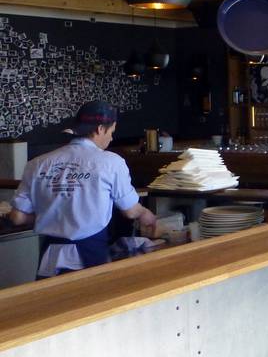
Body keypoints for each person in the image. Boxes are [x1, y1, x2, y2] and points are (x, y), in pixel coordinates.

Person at [5, 100, 157, 278]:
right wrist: (145, 213)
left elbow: (17, 217)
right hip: (89, 256)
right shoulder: (111, 162)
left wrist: (53, 215)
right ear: (100, 129)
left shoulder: (37, 164)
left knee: (52, 296)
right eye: (111, 132)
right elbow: (130, 211)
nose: (111, 138)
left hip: (49, 258)